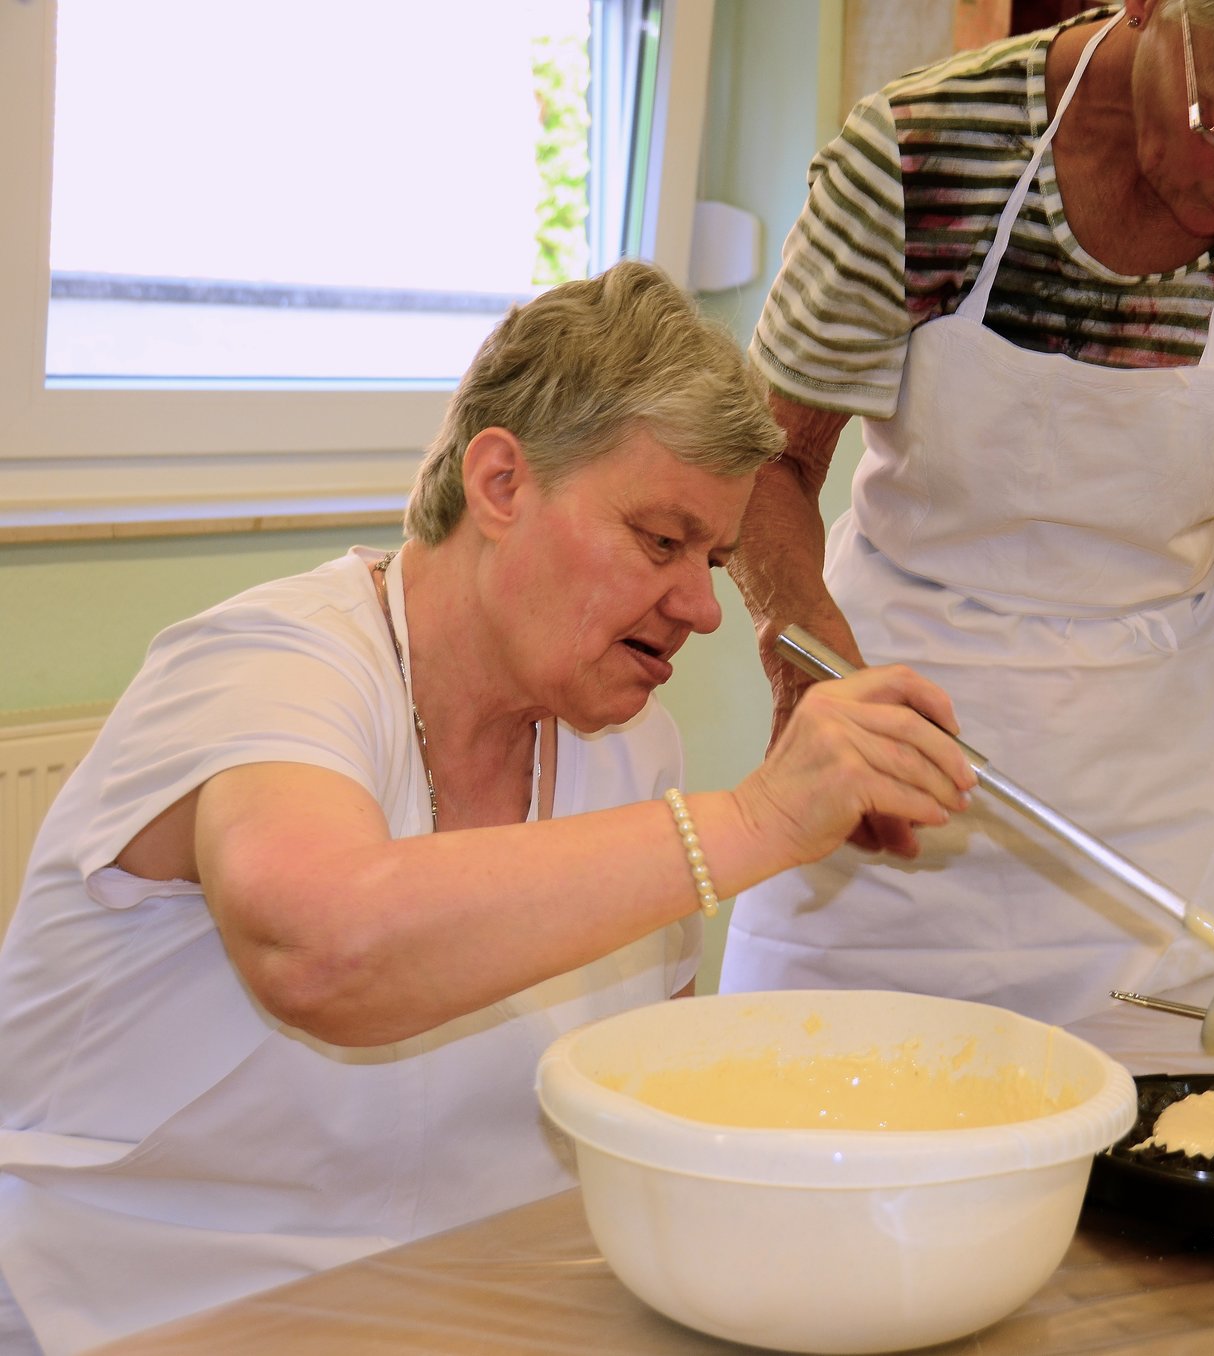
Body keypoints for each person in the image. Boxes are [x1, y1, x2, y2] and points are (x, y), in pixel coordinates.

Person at [0, 261, 977, 1356]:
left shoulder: (623, 747)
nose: (702, 607)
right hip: (141, 1317)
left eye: (713, 557)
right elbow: (319, 947)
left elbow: (649, 1101)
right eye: (660, 541)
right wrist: (753, 822)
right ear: (502, 483)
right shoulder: (268, 666)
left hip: (462, 1315)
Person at [722, 0, 1214, 1025]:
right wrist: (804, 662)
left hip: (1146, 787)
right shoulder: (922, 153)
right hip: (900, 728)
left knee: (1143, 1137)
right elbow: (770, 458)